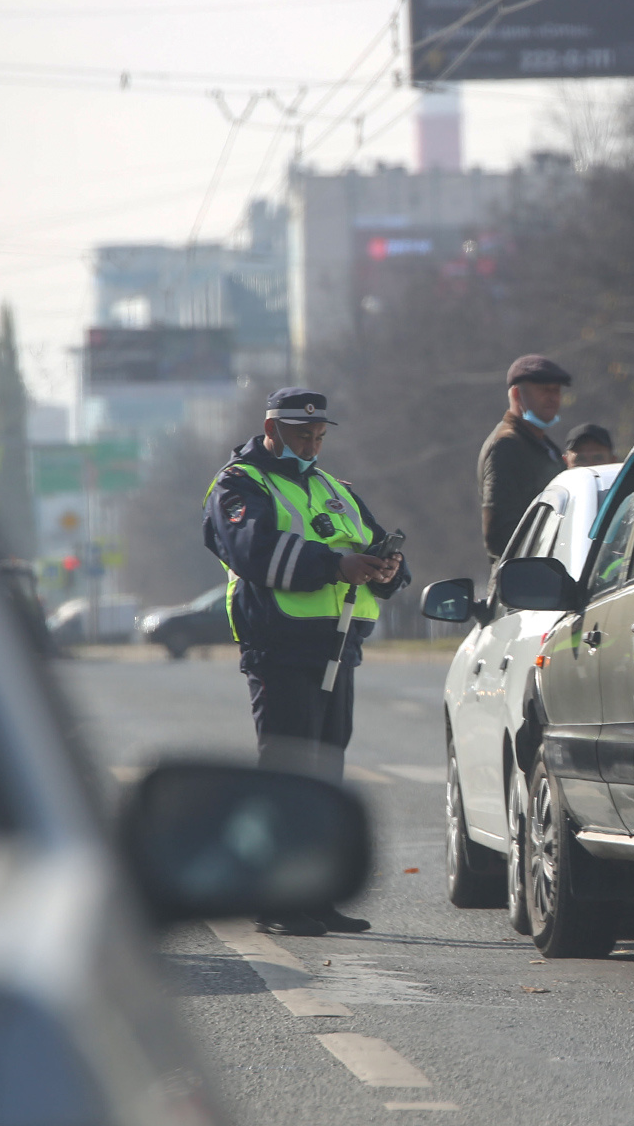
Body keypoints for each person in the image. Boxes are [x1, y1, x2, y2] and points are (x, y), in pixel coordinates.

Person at [202, 388, 410, 938]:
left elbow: (368, 541)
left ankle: (315, 895)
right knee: (287, 772)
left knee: (324, 773)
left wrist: (388, 567)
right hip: (281, 644)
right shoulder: (239, 484)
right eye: (300, 435)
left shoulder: (332, 486)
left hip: (337, 646)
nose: (312, 445)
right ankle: (272, 897)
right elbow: (253, 552)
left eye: (318, 437)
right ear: (271, 428)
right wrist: (334, 565)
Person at [479, 354, 573, 560]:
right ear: (516, 395)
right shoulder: (506, 445)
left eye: (556, 390)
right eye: (543, 390)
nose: (552, 398)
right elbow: (499, 536)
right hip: (524, 579)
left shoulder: (542, 445)